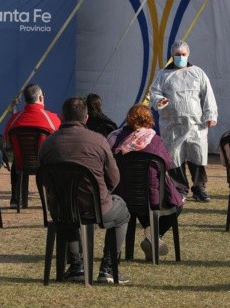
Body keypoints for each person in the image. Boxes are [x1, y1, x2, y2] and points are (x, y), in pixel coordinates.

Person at [39, 97, 131, 284]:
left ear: (62, 116)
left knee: (69, 212)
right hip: (94, 208)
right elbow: (114, 178)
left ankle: (76, 266)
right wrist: (102, 197)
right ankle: (108, 269)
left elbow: (44, 178)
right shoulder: (98, 141)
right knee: (123, 212)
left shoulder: (47, 144)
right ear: (86, 118)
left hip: (60, 209)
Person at [107, 104, 184, 260]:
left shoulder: (117, 139)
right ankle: (154, 235)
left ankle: (150, 236)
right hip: (152, 199)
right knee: (177, 203)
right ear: (149, 121)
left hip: (124, 196)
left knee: (139, 208)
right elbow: (167, 164)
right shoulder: (155, 140)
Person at [149, 40, 218, 202]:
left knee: (198, 156)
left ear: (188, 54)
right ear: (172, 55)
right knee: (175, 157)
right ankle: (179, 188)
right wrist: (159, 100)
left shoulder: (198, 73)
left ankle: (199, 188)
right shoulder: (163, 75)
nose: (180, 57)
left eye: (183, 54)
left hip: (196, 124)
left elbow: (208, 95)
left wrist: (210, 114)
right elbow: (154, 92)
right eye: (177, 55)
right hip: (172, 124)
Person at [3, 83, 61, 209]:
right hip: (45, 165)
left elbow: (7, 142)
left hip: (21, 164)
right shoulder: (52, 119)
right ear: (41, 97)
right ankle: (53, 198)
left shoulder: (14, 119)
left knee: (16, 163)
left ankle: (15, 198)